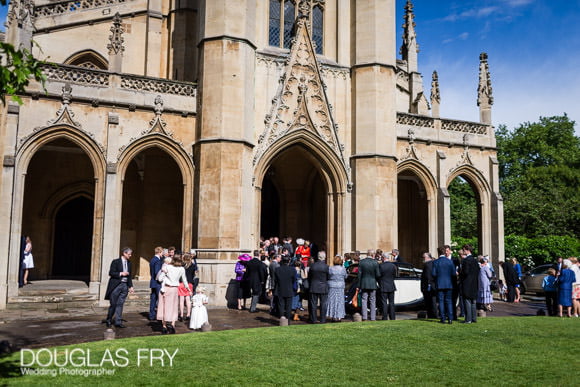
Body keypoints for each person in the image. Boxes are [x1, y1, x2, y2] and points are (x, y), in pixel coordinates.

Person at [157, 254, 189, 334]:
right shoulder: (182, 269)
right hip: (175, 289)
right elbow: (184, 280)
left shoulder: (167, 267)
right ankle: (172, 325)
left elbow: (160, 279)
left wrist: (164, 273)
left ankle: (164, 326)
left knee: (164, 307)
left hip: (166, 288)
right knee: (174, 307)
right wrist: (188, 288)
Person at [104, 247, 134, 328]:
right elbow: (111, 273)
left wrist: (130, 286)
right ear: (124, 253)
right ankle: (109, 319)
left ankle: (118, 322)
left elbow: (130, 276)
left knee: (120, 304)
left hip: (124, 286)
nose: (130, 255)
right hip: (116, 285)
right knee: (113, 304)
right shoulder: (115, 262)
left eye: (131, 254)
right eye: (129, 254)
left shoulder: (129, 263)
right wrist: (121, 273)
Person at [432, 245, 456, 324]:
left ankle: (443, 318)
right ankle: (450, 318)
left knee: (441, 302)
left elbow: (433, 274)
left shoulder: (435, 262)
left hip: (439, 284)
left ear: (438, 253)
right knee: (449, 301)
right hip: (449, 284)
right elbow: (453, 274)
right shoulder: (450, 261)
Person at [357, 249, 380, 321]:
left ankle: (364, 317)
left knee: (364, 300)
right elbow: (378, 274)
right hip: (372, 283)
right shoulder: (375, 262)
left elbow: (359, 275)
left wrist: (358, 285)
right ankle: (373, 317)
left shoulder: (361, 262)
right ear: (373, 255)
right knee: (372, 300)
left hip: (364, 283)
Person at [460, 244, 480, 324]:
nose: (463, 251)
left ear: (466, 250)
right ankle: (474, 318)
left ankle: (468, 319)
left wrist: (460, 274)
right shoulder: (475, 260)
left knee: (467, 300)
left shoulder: (466, 260)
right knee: (473, 301)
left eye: (464, 250)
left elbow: (465, 272)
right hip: (474, 283)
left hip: (467, 283)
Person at [308, 251, 329, 323]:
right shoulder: (326, 266)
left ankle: (314, 319)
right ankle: (323, 319)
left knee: (313, 304)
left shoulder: (313, 266)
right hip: (323, 287)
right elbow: (328, 277)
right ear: (324, 257)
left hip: (314, 286)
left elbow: (309, 277)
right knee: (323, 304)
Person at [275, 256, 297, 322]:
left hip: (280, 289)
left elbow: (276, 280)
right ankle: (288, 320)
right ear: (289, 261)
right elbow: (294, 280)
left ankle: (282, 319)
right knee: (288, 306)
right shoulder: (293, 270)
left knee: (281, 305)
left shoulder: (277, 269)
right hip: (289, 289)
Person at [326, 255, 347, 322]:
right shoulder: (343, 269)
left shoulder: (330, 268)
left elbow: (328, 276)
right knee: (340, 302)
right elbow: (346, 276)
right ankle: (339, 316)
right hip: (340, 286)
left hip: (332, 286)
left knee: (332, 301)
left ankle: (332, 316)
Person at [378, 252, 398, 320]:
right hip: (391, 285)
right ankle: (392, 317)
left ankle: (385, 317)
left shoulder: (381, 266)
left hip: (383, 285)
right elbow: (395, 275)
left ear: (383, 258)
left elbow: (378, 276)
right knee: (392, 303)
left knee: (384, 303)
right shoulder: (393, 266)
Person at [178, 253, 196, 322]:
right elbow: (193, 275)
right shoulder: (193, 266)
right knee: (188, 300)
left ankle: (181, 315)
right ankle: (188, 314)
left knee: (181, 300)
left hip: (181, 283)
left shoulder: (181, 266)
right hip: (189, 283)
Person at [420, 252, 437, 319]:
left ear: (427, 257)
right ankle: (433, 315)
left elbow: (427, 276)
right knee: (432, 302)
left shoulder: (427, 264)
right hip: (432, 285)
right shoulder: (433, 263)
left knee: (430, 302)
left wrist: (427, 286)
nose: (423, 259)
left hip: (428, 286)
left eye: (423, 257)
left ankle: (432, 315)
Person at [148, 246, 163, 321]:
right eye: (162, 252)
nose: (162, 254)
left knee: (153, 299)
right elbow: (157, 272)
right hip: (157, 282)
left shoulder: (152, 259)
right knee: (159, 299)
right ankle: (159, 315)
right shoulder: (157, 260)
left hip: (153, 281)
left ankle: (151, 315)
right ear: (160, 252)